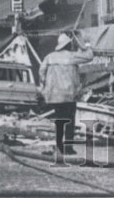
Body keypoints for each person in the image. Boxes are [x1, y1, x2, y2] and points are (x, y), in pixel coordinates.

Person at [39, 31, 94, 163]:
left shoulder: (49, 57)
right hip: (69, 95)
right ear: (68, 45)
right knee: (70, 122)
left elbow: (41, 73)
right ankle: (68, 148)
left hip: (54, 96)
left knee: (59, 121)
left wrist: (47, 86)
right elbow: (89, 56)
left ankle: (59, 146)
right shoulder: (72, 56)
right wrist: (84, 44)